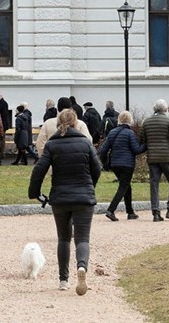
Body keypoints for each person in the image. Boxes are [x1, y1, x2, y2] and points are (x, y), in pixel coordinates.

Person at [28, 109, 100, 294]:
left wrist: (34, 192)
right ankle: (82, 267)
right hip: (84, 196)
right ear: (76, 123)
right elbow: (97, 168)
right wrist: (90, 185)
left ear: (58, 123)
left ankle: (63, 280)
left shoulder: (52, 145)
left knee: (63, 238)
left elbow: (39, 170)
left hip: (60, 196)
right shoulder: (85, 143)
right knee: (83, 238)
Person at [142, 99, 169, 221]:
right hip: (167, 157)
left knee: (154, 184)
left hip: (153, 157)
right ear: (165, 109)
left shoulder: (146, 122)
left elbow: (143, 139)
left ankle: (155, 212)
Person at [98, 110, 143, 221]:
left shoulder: (112, 132)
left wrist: (105, 163)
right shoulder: (130, 133)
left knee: (126, 186)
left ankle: (130, 212)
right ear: (130, 120)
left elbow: (103, 149)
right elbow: (136, 149)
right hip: (127, 164)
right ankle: (111, 210)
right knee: (123, 186)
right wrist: (146, 145)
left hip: (115, 164)